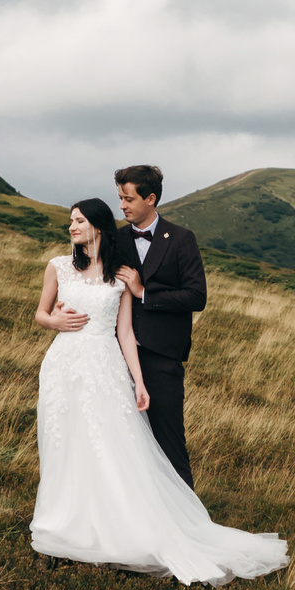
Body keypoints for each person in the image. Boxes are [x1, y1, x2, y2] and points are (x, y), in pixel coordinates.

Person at [27, 195, 285, 584]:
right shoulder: (59, 266)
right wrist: (55, 323)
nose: (71, 227)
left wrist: (140, 381)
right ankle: (64, 525)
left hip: (104, 366)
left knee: (107, 446)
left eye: (78, 220)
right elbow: (40, 313)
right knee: (64, 441)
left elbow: (126, 333)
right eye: (70, 221)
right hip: (62, 366)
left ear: (97, 225)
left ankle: (112, 527)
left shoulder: (120, 276)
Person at [109, 163, 206, 486]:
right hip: (116, 357)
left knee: (169, 443)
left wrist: (143, 292)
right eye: (120, 198)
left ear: (150, 199)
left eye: (128, 199)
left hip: (163, 358)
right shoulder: (116, 240)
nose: (122, 205)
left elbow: (196, 297)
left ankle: (189, 524)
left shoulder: (181, 239)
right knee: (121, 442)